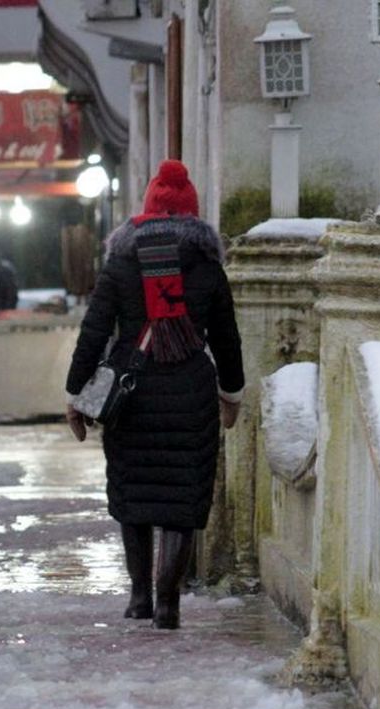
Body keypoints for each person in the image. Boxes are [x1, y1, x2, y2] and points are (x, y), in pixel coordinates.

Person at [65, 160, 245, 630]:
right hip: (190, 394)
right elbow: (226, 337)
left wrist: (75, 393)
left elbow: (94, 331)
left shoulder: (122, 264)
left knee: (135, 496)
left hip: (132, 393)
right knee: (181, 501)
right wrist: (232, 393)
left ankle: (139, 597)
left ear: (145, 211)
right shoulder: (206, 268)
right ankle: (169, 601)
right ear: (193, 215)